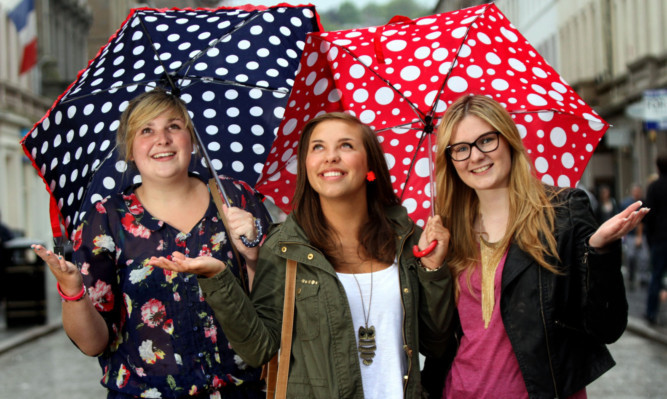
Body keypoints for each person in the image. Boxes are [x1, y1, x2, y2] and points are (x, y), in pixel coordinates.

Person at [149, 112, 456, 398]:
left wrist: (433, 270)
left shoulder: (408, 241)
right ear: (307, 165)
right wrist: (217, 277)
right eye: (317, 147)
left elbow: (435, 342)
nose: (330, 156)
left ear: (370, 165)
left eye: (346, 145)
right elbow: (259, 349)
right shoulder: (284, 247)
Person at [31, 89, 271, 399]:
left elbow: (272, 312)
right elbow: (93, 344)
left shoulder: (234, 198)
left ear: (192, 139)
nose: (162, 139)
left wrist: (253, 256)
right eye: (147, 130)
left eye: (174, 126)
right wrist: (72, 290)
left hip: (241, 392)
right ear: (130, 149)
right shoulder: (106, 218)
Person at [423, 94, 647, 399]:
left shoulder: (561, 213)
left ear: (509, 139)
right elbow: (433, 340)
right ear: (449, 160)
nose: (475, 156)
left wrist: (599, 251)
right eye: (460, 149)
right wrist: (432, 269)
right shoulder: (447, 231)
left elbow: (606, 327)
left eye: (486, 140)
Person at [644, 153, 667, 325]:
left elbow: (648, 215)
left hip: (659, 239)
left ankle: (651, 313)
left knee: (656, 276)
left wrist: (650, 238)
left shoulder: (654, 187)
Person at [620, 183, 650, 289]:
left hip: (641, 234)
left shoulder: (645, 202)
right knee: (631, 256)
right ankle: (631, 277)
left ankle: (643, 278)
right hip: (631, 234)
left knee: (644, 257)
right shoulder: (626, 203)